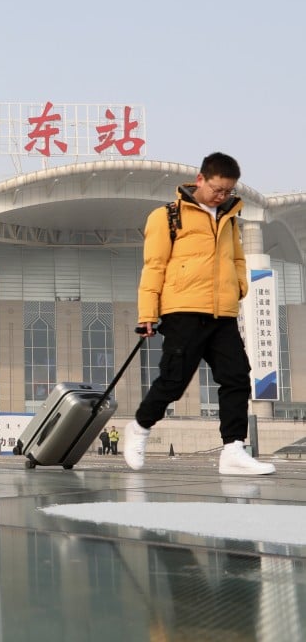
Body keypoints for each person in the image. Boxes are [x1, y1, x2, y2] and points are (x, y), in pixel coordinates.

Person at [124, 152, 275, 476]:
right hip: (183, 311)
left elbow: (237, 259)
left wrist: (238, 288)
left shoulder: (229, 218)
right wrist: (147, 313)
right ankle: (138, 428)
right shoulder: (167, 217)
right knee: (173, 382)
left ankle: (233, 449)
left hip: (222, 313)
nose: (222, 196)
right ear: (201, 180)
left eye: (228, 191)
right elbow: (154, 267)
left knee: (236, 378)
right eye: (218, 189)